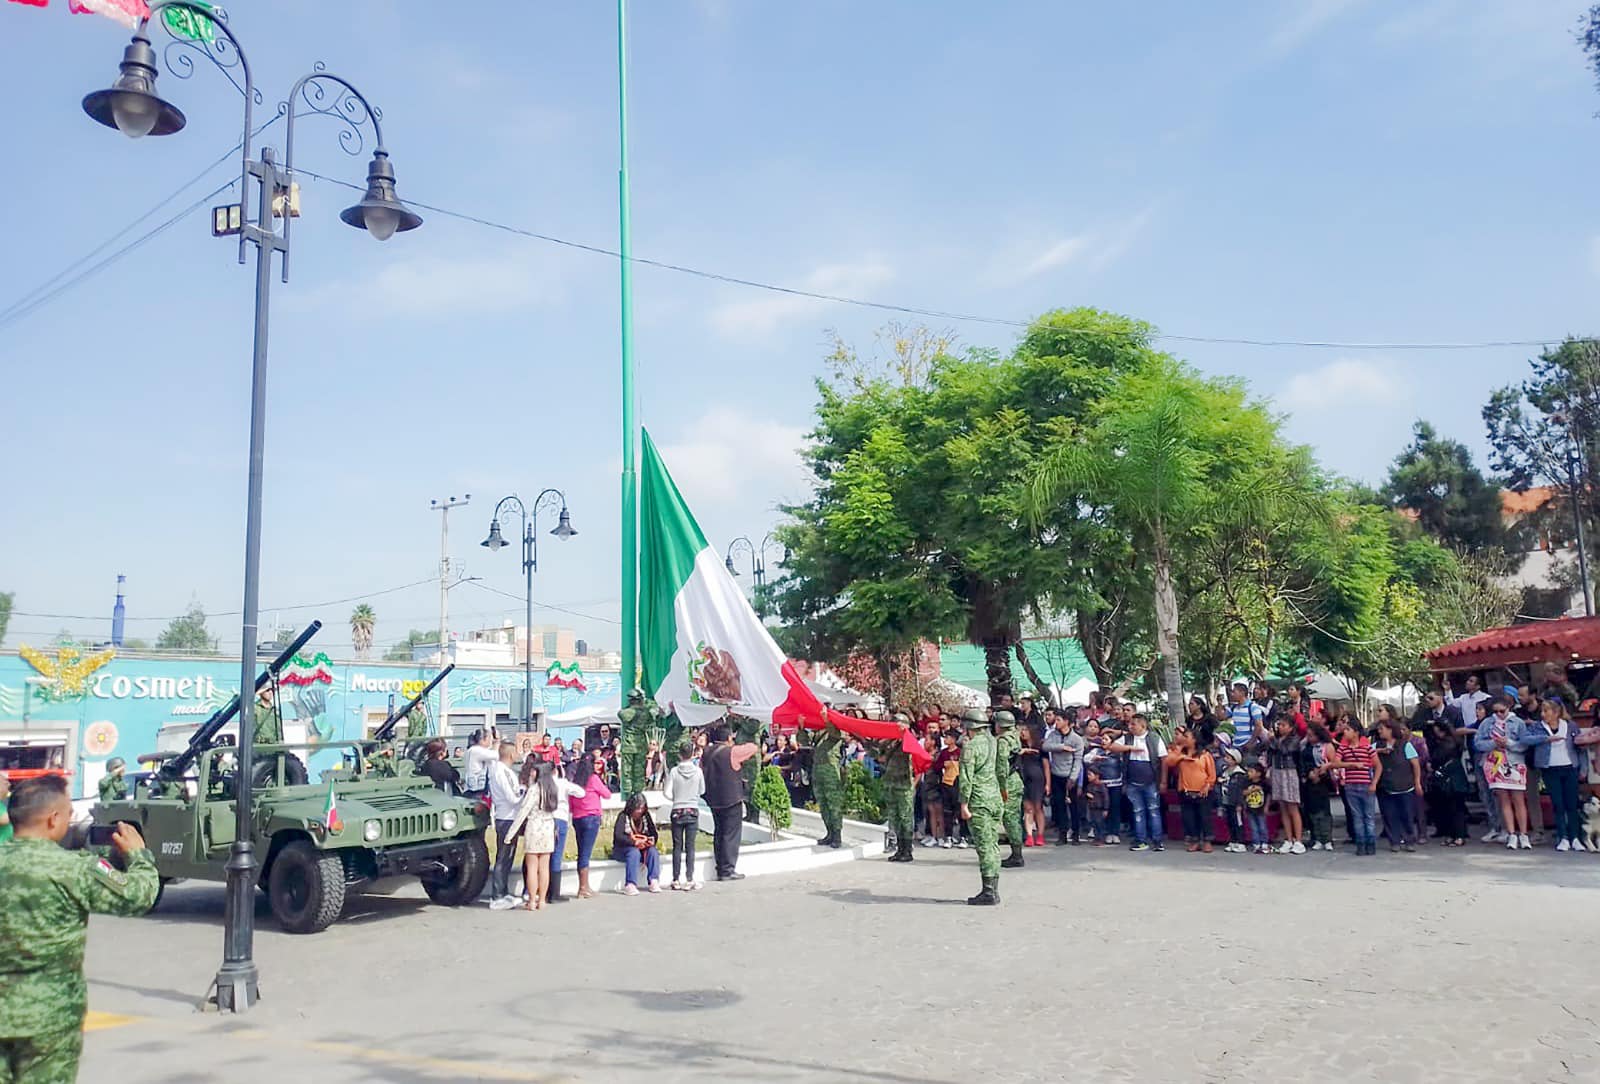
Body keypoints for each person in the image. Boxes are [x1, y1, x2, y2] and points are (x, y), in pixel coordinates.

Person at [0, 775, 159, 1083]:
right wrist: (138, 856)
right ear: (53, 819)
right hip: (49, 1019)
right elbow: (139, 896)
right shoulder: (75, 868)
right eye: (69, 814)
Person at [1522, 697, 1585, 852]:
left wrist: (1583, 769)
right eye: (1542, 711)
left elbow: (1580, 747)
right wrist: (1545, 738)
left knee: (1572, 803)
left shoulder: (1570, 726)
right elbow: (1525, 739)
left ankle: (1575, 837)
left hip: (1570, 766)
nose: (1543, 714)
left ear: (1556, 712)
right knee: (1557, 803)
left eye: (1546, 711)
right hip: (1550, 768)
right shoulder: (1538, 727)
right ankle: (1562, 837)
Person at [507, 758, 568, 911]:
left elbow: (523, 812)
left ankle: (532, 900)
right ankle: (542, 900)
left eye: (534, 770)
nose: (532, 773)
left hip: (534, 828)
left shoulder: (534, 789)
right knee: (544, 868)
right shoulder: (552, 788)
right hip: (548, 828)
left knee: (532, 868)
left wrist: (510, 834)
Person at [702, 724, 759, 882]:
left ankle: (720, 867)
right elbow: (753, 748)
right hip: (731, 799)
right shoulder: (732, 752)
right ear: (728, 738)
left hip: (713, 798)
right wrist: (736, 743)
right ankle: (727, 870)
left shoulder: (706, 752)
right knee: (730, 835)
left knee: (719, 833)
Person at [956, 708, 1002, 906]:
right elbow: (1001, 769)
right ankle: (994, 889)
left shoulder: (971, 746)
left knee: (984, 847)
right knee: (993, 845)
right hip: (994, 798)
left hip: (979, 800)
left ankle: (988, 891)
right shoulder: (994, 742)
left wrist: (964, 804)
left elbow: (966, 778)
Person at [1476, 696, 1533, 850]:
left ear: (1509, 708)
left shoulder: (1518, 722)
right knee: (1503, 799)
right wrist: (1493, 743)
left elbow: (1524, 744)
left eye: (1503, 711)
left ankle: (1524, 834)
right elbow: (1478, 743)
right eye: (1496, 711)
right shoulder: (1487, 723)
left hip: (1514, 762)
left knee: (1518, 799)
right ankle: (1511, 833)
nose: (1499, 714)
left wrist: (1509, 743)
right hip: (1495, 762)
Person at [1108, 715, 1166, 853]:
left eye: (1134, 724)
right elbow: (1113, 746)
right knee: (1138, 811)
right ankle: (1141, 840)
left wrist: (1163, 781)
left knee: (1153, 811)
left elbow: (1163, 759)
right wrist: (1130, 748)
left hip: (1151, 782)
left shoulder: (1154, 738)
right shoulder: (1128, 738)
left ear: (1143, 726)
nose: (1130, 727)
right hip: (1133, 782)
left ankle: (1157, 840)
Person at [1325, 717, 1379, 855]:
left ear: (1355, 732)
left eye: (1348, 730)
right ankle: (1361, 843)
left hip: (1366, 785)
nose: (1345, 732)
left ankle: (1370, 843)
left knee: (1368, 816)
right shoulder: (1344, 748)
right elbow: (1335, 763)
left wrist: (1374, 783)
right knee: (1357, 816)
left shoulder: (1367, 748)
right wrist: (1351, 765)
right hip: (1351, 785)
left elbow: (1378, 766)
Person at [567, 749, 612, 900]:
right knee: (586, 853)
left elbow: (571, 802)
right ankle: (583, 888)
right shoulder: (593, 779)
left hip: (578, 818)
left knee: (582, 851)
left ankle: (584, 886)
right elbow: (607, 794)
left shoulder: (575, 780)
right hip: (591, 817)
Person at [1372, 717, 1421, 852]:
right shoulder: (1377, 745)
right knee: (1389, 815)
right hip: (1385, 787)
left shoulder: (1405, 745)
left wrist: (1417, 782)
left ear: (1390, 730)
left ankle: (1409, 840)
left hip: (1405, 786)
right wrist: (1379, 752)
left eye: (1382, 729)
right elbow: (1365, 753)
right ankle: (1394, 841)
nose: (1379, 731)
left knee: (1406, 814)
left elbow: (1415, 764)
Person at [486, 741, 525, 910]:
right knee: (503, 857)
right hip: (506, 818)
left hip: (510, 818)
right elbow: (513, 798)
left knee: (508, 857)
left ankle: (504, 891)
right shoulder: (502, 772)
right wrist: (525, 793)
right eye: (516, 751)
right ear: (510, 754)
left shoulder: (505, 771)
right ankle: (497, 896)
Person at [1164, 730, 1217, 853]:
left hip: (1203, 791)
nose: (1184, 738)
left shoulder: (1204, 754)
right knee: (1189, 817)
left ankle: (1207, 841)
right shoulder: (1180, 753)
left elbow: (1212, 774)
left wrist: (1207, 786)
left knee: (1205, 817)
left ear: (1194, 739)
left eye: (1186, 737)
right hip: (1186, 790)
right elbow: (1169, 761)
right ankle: (1194, 841)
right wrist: (1181, 753)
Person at [663, 740, 705, 889]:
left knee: (677, 846)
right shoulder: (698, 771)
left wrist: (677, 798)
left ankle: (675, 878)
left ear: (680, 754)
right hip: (692, 809)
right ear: (693, 753)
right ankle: (689, 878)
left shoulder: (674, 771)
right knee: (690, 846)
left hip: (677, 810)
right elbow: (702, 790)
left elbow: (666, 792)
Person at [1042, 708, 1086, 845]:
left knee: (1074, 807)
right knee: (1060, 806)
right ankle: (1062, 834)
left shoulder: (1076, 739)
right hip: (1056, 775)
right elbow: (1045, 747)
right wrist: (1061, 747)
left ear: (1067, 722)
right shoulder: (1053, 735)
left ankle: (1076, 834)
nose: (1056, 722)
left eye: (1059, 720)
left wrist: (1073, 778)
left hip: (1070, 776)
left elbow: (1078, 760)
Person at [1424, 720, 1471, 846]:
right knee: (1453, 808)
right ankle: (1454, 835)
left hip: (1450, 778)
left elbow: (1438, 758)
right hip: (1454, 776)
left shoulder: (1448, 743)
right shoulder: (1455, 741)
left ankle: (1458, 836)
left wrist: (1432, 764)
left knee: (1455, 808)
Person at [1263, 717, 1305, 855]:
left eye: (1283, 724)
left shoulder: (1294, 740)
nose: (1280, 727)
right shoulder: (1275, 740)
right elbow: (1270, 753)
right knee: (1282, 806)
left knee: (1292, 806)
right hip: (1277, 771)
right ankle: (1288, 839)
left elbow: (1285, 750)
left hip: (1289, 772)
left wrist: (1273, 740)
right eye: (1279, 724)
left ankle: (1298, 840)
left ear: (1291, 727)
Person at [879, 717, 918, 863]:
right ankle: (900, 849)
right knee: (894, 818)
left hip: (904, 785)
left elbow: (911, 746)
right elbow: (879, 754)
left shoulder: (908, 739)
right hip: (891, 784)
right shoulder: (891, 742)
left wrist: (904, 732)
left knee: (905, 818)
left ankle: (907, 850)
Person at [994, 710, 1026, 869]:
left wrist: (1001, 786)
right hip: (1016, 780)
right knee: (1013, 817)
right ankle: (1016, 852)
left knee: (1010, 818)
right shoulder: (1014, 736)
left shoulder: (1003, 741)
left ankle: (1017, 855)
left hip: (1008, 782)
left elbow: (1001, 766)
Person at [612, 792, 661, 895]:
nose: (639, 811)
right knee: (634, 852)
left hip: (642, 848)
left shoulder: (645, 816)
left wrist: (651, 840)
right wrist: (634, 842)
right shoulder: (623, 816)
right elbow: (618, 836)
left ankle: (653, 880)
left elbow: (653, 833)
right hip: (624, 849)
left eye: (642, 808)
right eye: (637, 808)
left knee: (653, 851)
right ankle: (630, 884)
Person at [1301, 722, 1337, 851]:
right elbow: (1302, 761)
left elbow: (1333, 763)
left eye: (1311, 735)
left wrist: (1320, 773)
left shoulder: (1327, 746)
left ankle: (1327, 838)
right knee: (1312, 811)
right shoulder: (1306, 747)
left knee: (1324, 811)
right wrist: (1308, 773)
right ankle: (1316, 837)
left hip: (1323, 780)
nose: (1309, 738)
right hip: (1309, 779)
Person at [1017, 724, 1048, 847]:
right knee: (1028, 809)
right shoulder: (1019, 746)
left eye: (1025, 729)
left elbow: (1046, 766)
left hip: (1038, 780)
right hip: (1024, 779)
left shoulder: (1040, 747)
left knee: (1038, 808)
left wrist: (1048, 783)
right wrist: (1022, 751)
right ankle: (1029, 836)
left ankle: (1040, 835)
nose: (1023, 732)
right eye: (1021, 730)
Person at [1242, 765, 1270, 854]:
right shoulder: (1247, 783)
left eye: (1251, 771)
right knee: (1253, 827)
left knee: (1262, 826)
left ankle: (1264, 843)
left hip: (1260, 808)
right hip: (1250, 808)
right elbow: (1243, 793)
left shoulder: (1264, 783)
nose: (1249, 773)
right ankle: (1256, 843)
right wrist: (1252, 790)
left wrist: (1267, 806)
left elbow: (1268, 795)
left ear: (1258, 774)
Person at [462, 728, 498, 798]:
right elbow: (496, 756)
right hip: (477, 790)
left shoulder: (472, 750)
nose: (491, 740)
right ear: (483, 739)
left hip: (473, 787)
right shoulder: (477, 750)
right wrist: (496, 743)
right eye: (489, 738)